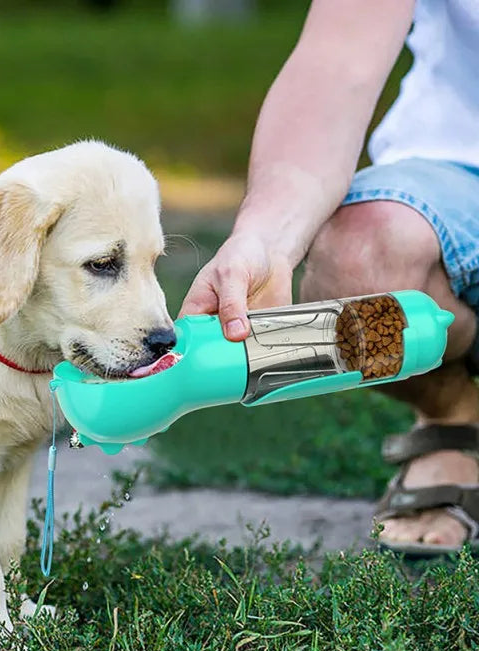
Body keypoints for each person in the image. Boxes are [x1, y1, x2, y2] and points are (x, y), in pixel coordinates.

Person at [180, 0, 479, 554]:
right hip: (459, 162)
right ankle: (454, 419)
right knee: (361, 262)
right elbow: (336, 62)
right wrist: (267, 238)